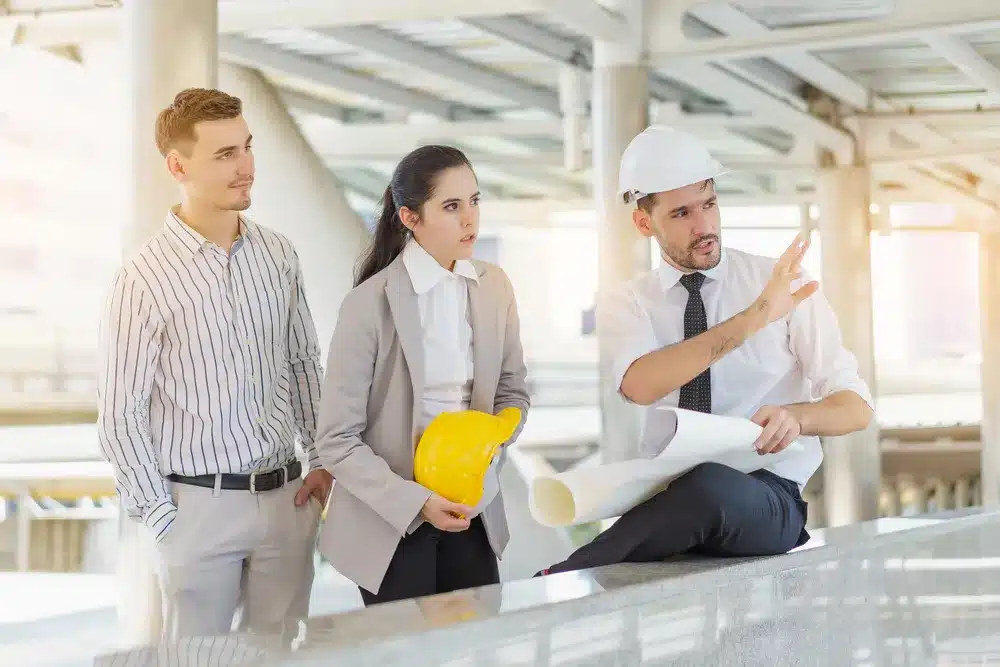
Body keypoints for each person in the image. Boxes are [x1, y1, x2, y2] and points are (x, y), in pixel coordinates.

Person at [536, 125, 875, 576]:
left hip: (767, 498)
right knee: (690, 490)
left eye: (709, 204)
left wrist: (797, 417)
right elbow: (640, 384)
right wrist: (756, 317)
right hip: (668, 498)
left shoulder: (783, 283)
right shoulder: (629, 302)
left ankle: (560, 580)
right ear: (644, 223)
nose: (703, 226)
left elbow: (856, 407)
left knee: (708, 485)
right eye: (680, 214)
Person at [96, 88, 332, 638]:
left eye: (246, 147)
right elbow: (120, 415)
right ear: (178, 165)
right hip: (197, 510)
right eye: (225, 154)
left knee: (278, 653)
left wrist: (321, 457)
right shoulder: (143, 278)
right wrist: (162, 518)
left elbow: (302, 364)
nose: (246, 166)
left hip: (287, 500)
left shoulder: (279, 255)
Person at [313, 145, 530, 604]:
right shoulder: (368, 305)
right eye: (451, 207)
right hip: (390, 523)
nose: (470, 219)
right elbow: (336, 439)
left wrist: (489, 451)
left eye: (474, 200)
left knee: (476, 650)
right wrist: (417, 502)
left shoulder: (495, 288)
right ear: (410, 218)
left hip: (472, 510)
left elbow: (512, 393)